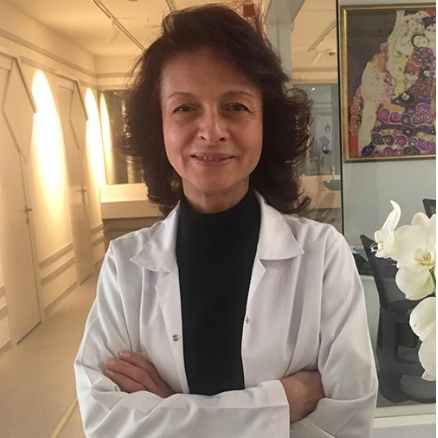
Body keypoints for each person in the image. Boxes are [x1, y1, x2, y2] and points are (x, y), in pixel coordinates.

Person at [74, 4, 378, 437]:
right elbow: (107, 423)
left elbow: (348, 421)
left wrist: (170, 410)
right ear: (158, 125)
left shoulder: (323, 255)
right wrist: (279, 404)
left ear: (266, 122)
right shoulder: (125, 265)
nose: (211, 130)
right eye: (185, 108)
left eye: (235, 106)